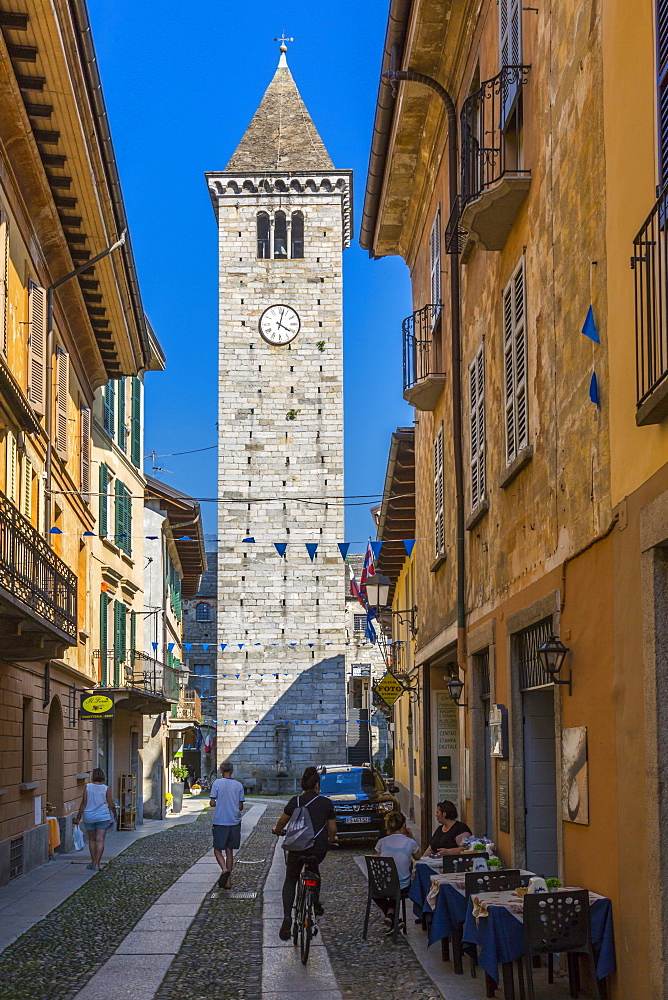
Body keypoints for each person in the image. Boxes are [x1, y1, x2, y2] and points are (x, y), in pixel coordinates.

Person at [272, 766, 337, 941]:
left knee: (291, 879)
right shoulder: (326, 803)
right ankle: (315, 904)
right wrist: (331, 839)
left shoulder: (296, 801)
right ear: (317, 785)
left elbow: (281, 823)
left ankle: (287, 916)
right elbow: (332, 829)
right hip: (317, 848)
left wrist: (276, 830)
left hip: (297, 847)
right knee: (314, 869)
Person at [374, 810, 421, 929]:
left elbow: (379, 862)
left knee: (384, 889)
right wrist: (410, 836)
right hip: (401, 885)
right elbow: (418, 857)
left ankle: (391, 915)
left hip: (381, 886)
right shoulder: (410, 843)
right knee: (398, 885)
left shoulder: (382, 842)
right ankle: (393, 919)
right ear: (404, 825)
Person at [209, 761, 245, 888]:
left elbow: (212, 803)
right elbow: (241, 806)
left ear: (220, 770)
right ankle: (228, 882)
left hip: (220, 821)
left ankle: (224, 869)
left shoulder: (217, 783)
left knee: (217, 849)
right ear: (232, 771)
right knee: (230, 851)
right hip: (234, 821)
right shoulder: (239, 785)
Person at [73, 768, 118, 871]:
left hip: (89, 816)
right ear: (103, 776)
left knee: (92, 840)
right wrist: (115, 814)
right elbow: (111, 804)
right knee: (100, 839)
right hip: (103, 816)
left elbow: (83, 803)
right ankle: (98, 864)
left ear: (93, 776)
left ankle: (93, 862)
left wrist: (78, 817)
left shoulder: (87, 787)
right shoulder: (105, 788)